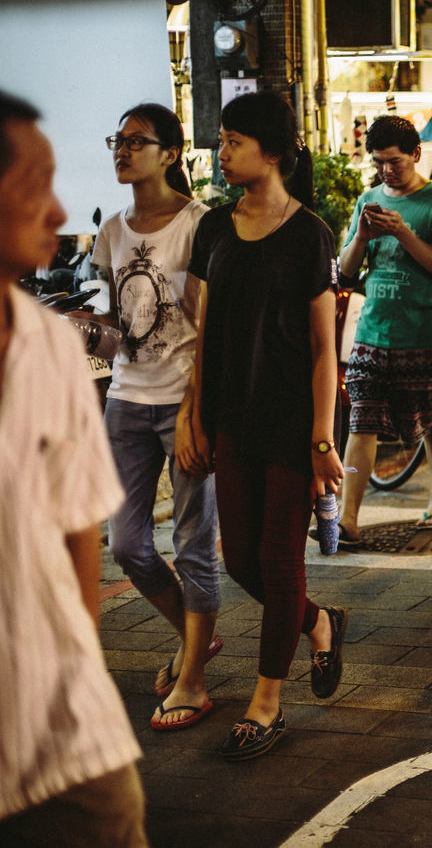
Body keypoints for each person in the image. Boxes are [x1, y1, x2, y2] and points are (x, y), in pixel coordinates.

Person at [178, 91, 347, 760]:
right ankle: (318, 620)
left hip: (290, 419)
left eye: (232, 141)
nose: (222, 152)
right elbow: (203, 332)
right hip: (229, 413)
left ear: (270, 150)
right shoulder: (214, 229)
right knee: (239, 556)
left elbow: (323, 346)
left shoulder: (311, 233)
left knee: (278, 560)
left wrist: (323, 437)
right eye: (221, 141)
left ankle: (266, 701)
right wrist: (193, 413)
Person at [0, 91, 146, 847]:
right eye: (33, 187)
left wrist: (83, 678)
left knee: (116, 821)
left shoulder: (55, 347)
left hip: (63, 719)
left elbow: (74, 532)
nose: (56, 210)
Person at [75, 104, 223, 731]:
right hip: (128, 400)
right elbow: (119, 333)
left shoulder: (201, 226)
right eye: (118, 140)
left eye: (138, 142)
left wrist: (199, 410)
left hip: (185, 400)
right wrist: (86, 331)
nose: (123, 151)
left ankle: (193, 679)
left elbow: (210, 328)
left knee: (193, 544)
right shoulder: (112, 230)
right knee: (129, 544)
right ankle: (193, 639)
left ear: (170, 154)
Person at [335, 114, 432, 545]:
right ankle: (348, 517)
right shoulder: (367, 199)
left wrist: (403, 231)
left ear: (416, 154)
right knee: (361, 421)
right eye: (380, 162)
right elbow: (346, 273)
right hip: (373, 331)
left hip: (423, 331)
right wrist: (363, 238)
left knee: (430, 417)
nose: (387, 170)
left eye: (395, 161)